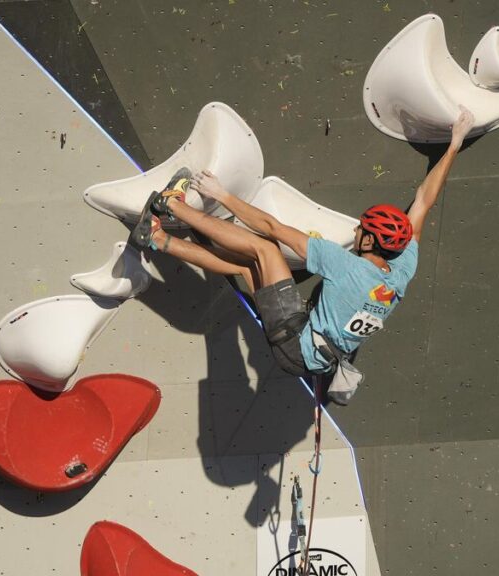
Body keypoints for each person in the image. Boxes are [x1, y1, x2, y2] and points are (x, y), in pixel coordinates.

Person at [132, 106, 475, 396]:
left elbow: (273, 229)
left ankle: (170, 205)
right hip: (311, 357)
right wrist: (454, 146)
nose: (356, 229)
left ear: (370, 242)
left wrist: (221, 195)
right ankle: (157, 238)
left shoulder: (347, 266)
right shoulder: (400, 271)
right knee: (247, 269)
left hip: (298, 343)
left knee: (265, 250)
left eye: (362, 228)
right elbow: (424, 201)